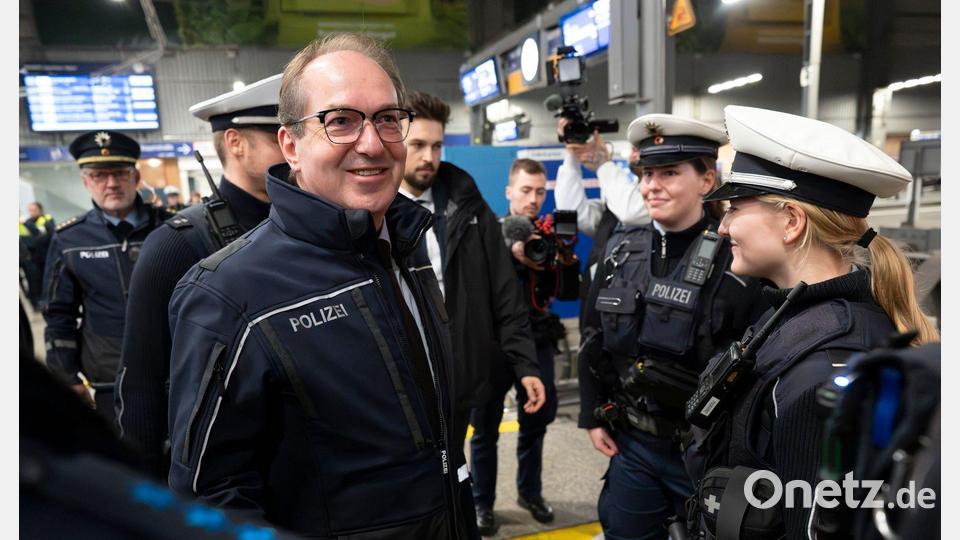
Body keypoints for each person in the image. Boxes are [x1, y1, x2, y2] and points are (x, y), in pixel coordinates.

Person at [167, 33, 473, 538]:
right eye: (341, 121)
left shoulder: (407, 247)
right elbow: (211, 497)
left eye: (387, 118)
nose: (372, 143)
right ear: (291, 144)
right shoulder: (230, 295)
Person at [687, 105, 939, 540]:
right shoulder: (793, 317)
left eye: (734, 207)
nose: (722, 227)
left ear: (790, 221)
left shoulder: (825, 364)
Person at [578, 114, 766, 540]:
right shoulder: (621, 250)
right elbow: (592, 337)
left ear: (706, 180)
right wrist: (591, 415)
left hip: (706, 455)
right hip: (634, 447)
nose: (651, 186)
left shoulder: (740, 262)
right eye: (646, 174)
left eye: (669, 173)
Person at [115, 74, 284, 479]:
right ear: (235, 142)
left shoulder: (307, 229)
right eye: (279, 135)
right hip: (219, 475)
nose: (295, 147)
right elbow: (142, 382)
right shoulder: (176, 246)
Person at [469, 158, 580, 534]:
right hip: (494, 344)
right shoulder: (486, 235)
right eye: (525, 191)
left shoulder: (548, 239)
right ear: (509, 192)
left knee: (537, 423)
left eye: (539, 192)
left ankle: (529, 494)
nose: (533, 199)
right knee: (484, 428)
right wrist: (507, 253)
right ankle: (482, 502)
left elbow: (567, 293)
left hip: (539, 339)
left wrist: (562, 261)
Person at [42, 131, 174, 421]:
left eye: (119, 174)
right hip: (108, 380)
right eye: (100, 175)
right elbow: (58, 313)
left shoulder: (173, 228)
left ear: (136, 177)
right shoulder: (70, 239)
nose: (111, 184)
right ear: (86, 182)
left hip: (177, 372)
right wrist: (66, 376)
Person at [553, 120, 651, 330]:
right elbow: (574, 214)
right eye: (633, 148)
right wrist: (572, 153)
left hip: (633, 320)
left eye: (641, 148)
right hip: (599, 315)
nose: (634, 154)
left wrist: (603, 164)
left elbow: (631, 211)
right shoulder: (619, 198)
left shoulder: (647, 204)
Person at [19, 202, 56, 307]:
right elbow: (31, 240)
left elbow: (47, 236)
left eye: (34, 210)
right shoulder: (28, 222)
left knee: (51, 279)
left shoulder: (46, 219)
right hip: (35, 257)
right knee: (36, 282)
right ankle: (40, 303)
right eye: (30, 210)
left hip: (48, 255)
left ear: (40, 209)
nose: (32, 212)